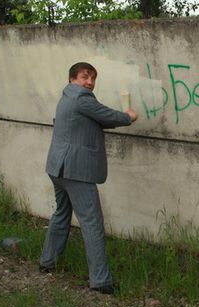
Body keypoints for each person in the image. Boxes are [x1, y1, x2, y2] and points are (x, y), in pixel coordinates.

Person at [39, 62, 138, 294]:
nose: (90, 82)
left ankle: (47, 261)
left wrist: (117, 118)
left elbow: (97, 120)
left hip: (58, 168)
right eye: (85, 77)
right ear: (72, 78)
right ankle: (101, 282)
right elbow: (107, 115)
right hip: (76, 171)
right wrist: (128, 116)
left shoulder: (67, 97)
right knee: (92, 222)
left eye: (93, 78)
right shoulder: (82, 97)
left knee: (62, 214)